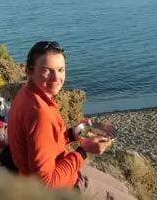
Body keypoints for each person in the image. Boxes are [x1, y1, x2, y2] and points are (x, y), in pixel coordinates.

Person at [8, 41, 137, 200]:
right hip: (60, 189)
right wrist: (85, 151)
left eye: (61, 70)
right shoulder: (39, 113)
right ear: (29, 71)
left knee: (121, 188)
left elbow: (43, 141)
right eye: (47, 70)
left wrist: (72, 134)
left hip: (55, 170)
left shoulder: (27, 95)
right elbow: (44, 183)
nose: (56, 78)